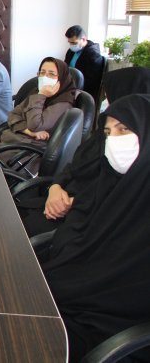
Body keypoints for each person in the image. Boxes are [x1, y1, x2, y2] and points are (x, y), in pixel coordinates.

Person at [39, 94, 150, 362]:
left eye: (124, 129)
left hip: (110, 334)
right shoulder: (111, 185)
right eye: (108, 133)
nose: (113, 141)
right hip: (66, 301)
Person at [19, 66, 150, 237]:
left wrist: (70, 203)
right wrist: (55, 188)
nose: (106, 103)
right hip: (58, 201)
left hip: (79, 218)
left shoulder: (132, 147)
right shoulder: (103, 136)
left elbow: (116, 197)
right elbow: (72, 168)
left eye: (109, 97)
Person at [0, 57, 76, 148]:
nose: (45, 77)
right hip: (10, 141)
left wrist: (41, 95)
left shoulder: (63, 103)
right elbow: (12, 115)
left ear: (62, 79)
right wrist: (27, 131)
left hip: (25, 149)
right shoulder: (35, 92)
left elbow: (35, 125)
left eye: (52, 74)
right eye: (42, 73)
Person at [64, 25, 104, 98]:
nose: (71, 45)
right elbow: (65, 68)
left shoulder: (94, 55)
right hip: (69, 87)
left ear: (83, 39)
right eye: (70, 42)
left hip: (82, 92)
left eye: (74, 43)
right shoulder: (71, 51)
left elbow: (92, 82)